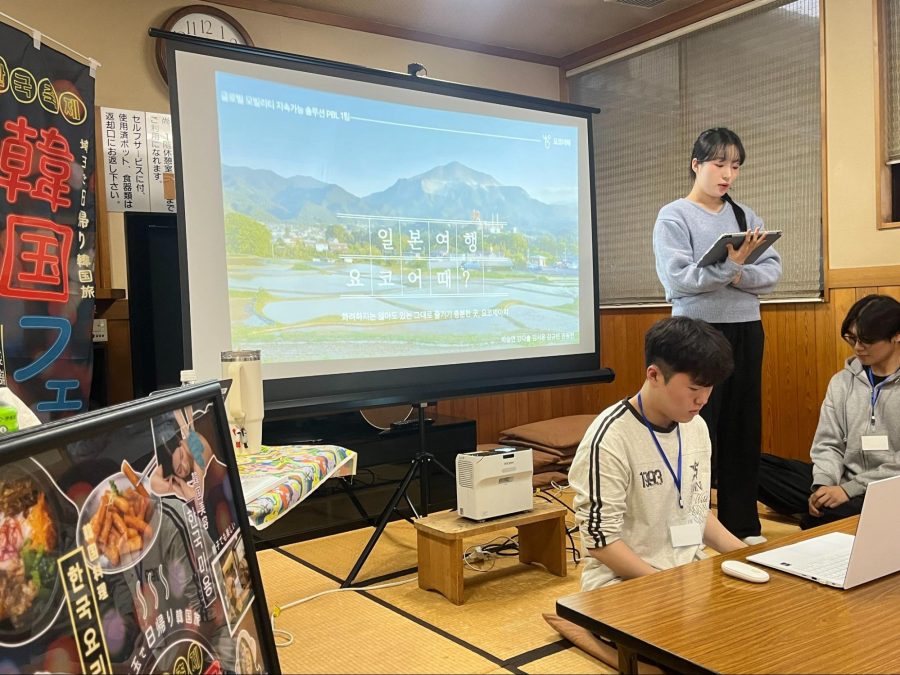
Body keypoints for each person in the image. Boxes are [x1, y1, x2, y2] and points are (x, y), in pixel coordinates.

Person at [652, 127, 782, 543]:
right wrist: (732, 269)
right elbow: (679, 279)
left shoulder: (746, 217)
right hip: (695, 332)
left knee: (743, 425)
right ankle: (690, 525)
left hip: (746, 328)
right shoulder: (674, 215)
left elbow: (772, 273)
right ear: (697, 164)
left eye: (736, 166)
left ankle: (741, 526)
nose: (728, 174)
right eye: (719, 164)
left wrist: (733, 273)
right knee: (696, 425)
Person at [569, 316, 747, 591]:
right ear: (654, 375)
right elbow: (601, 542)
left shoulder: (696, 426)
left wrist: (751, 557)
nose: (703, 399)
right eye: (694, 389)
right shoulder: (610, 438)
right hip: (621, 583)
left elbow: (697, 512)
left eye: (709, 388)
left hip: (687, 574)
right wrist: (667, 585)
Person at [758, 294, 900, 528]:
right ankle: (822, 508)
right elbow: (828, 443)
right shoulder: (841, 382)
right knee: (752, 466)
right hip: (842, 479)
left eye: (866, 340)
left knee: (825, 515)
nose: (857, 347)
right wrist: (823, 485)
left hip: (888, 486)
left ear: (896, 335)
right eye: (852, 338)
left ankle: (823, 513)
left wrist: (849, 490)